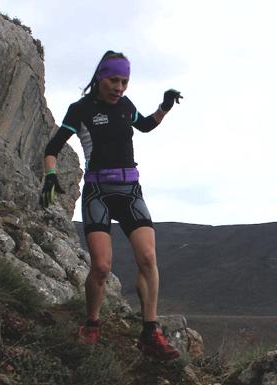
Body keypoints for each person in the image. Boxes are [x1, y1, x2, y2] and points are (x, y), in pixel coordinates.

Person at [40, 50, 183, 361]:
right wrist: (50, 175)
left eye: (125, 82)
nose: (119, 87)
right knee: (102, 266)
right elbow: (52, 147)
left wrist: (164, 108)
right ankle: (91, 324)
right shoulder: (81, 109)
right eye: (114, 80)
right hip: (98, 192)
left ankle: (149, 333)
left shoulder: (126, 106)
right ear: (100, 78)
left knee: (147, 257)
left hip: (130, 190)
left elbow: (144, 125)